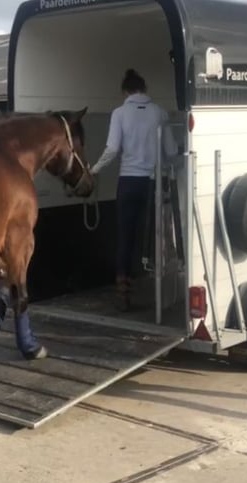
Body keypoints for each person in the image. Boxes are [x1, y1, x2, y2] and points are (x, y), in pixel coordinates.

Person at [91, 68, 177, 311]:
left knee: (125, 237)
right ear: (144, 89)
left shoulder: (119, 113)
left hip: (128, 182)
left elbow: (112, 149)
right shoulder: (159, 112)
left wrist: (95, 169)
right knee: (154, 236)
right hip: (153, 183)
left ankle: (123, 291)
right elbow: (170, 151)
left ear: (125, 91)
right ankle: (157, 291)